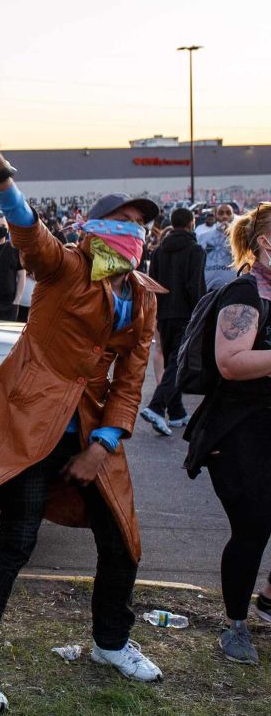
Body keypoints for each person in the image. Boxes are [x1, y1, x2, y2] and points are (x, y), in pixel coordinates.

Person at [0, 125, 165, 712]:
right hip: (30, 424)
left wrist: (105, 442)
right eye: (125, 221)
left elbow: (131, 377)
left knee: (123, 543)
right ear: (94, 229)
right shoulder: (64, 269)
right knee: (17, 540)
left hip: (89, 428)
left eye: (142, 224)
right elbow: (29, 233)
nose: (134, 233)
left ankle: (110, 642)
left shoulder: (141, 295)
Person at [182, 202, 271, 665]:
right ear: (264, 243)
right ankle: (236, 625)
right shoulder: (245, 291)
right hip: (239, 432)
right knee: (253, 526)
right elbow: (231, 363)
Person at [139, 207, 206, 436]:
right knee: (178, 363)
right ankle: (156, 406)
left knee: (172, 363)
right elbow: (195, 285)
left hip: (164, 313)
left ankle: (176, 412)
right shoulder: (195, 250)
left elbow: (153, 285)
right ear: (191, 223)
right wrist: (201, 313)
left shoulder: (159, 251)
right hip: (186, 314)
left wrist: (155, 313)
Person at [201, 202, 238, 291]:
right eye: (221, 213)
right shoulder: (204, 236)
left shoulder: (239, 237)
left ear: (233, 216)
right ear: (216, 215)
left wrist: (230, 234)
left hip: (232, 286)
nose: (225, 216)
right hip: (209, 288)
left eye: (228, 213)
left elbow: (240, 255)